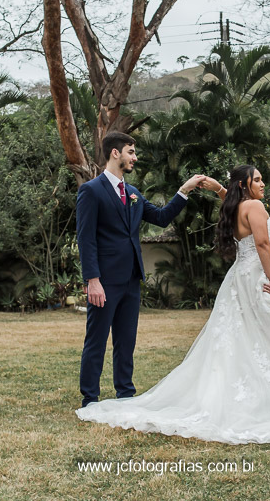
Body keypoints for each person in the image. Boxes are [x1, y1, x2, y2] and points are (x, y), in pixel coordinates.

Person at [75, 165, 270, 444]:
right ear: (245, 185)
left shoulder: (237, 206)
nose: (262, 184)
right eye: (257, 180)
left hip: (239, 278)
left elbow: (232, 203)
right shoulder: (255, 208)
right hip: (256, 276)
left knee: (254, 333)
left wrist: (218, 188)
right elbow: (261, 243)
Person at [76, 131, 206, 408]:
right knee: (96, 340)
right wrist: (92, 280)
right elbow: (85, 239)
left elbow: (160, 217)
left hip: (131, 278)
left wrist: (184, 190)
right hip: (105, 280)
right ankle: (90, 397)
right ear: (115, 153)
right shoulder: (91, 190)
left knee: (126, 340)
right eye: (131, 152)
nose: (134, 157)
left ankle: (125, 393)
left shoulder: (133, 193)